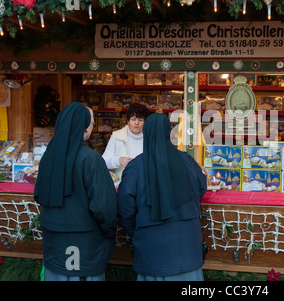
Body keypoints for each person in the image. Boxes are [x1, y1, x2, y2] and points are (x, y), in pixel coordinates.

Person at [117, 113, 207, 281]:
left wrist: (134, 232)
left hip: (152, 249)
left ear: (147, 133)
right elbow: (202, 188)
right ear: (169, 132)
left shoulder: (136, 166)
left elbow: (125, 206)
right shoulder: (186, 160)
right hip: (187, 247)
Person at [34, 102, 117, 281]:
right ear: (84, 127)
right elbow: (104, 207)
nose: (92, 128)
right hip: (85, 245)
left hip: (53, 243)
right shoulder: (91, 159)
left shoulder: (48, 157)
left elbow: (39, 195)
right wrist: (110, 234)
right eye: (92, 123)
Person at [102, 103, 149, 178]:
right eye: (133, 119)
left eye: (140, 120)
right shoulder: (116, 136)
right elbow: (104, 161)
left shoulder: (150, 138)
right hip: (121, 183)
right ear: (128, 121)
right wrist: (119, 160)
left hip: (143, 183)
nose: (136, 123)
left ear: (145, 122)